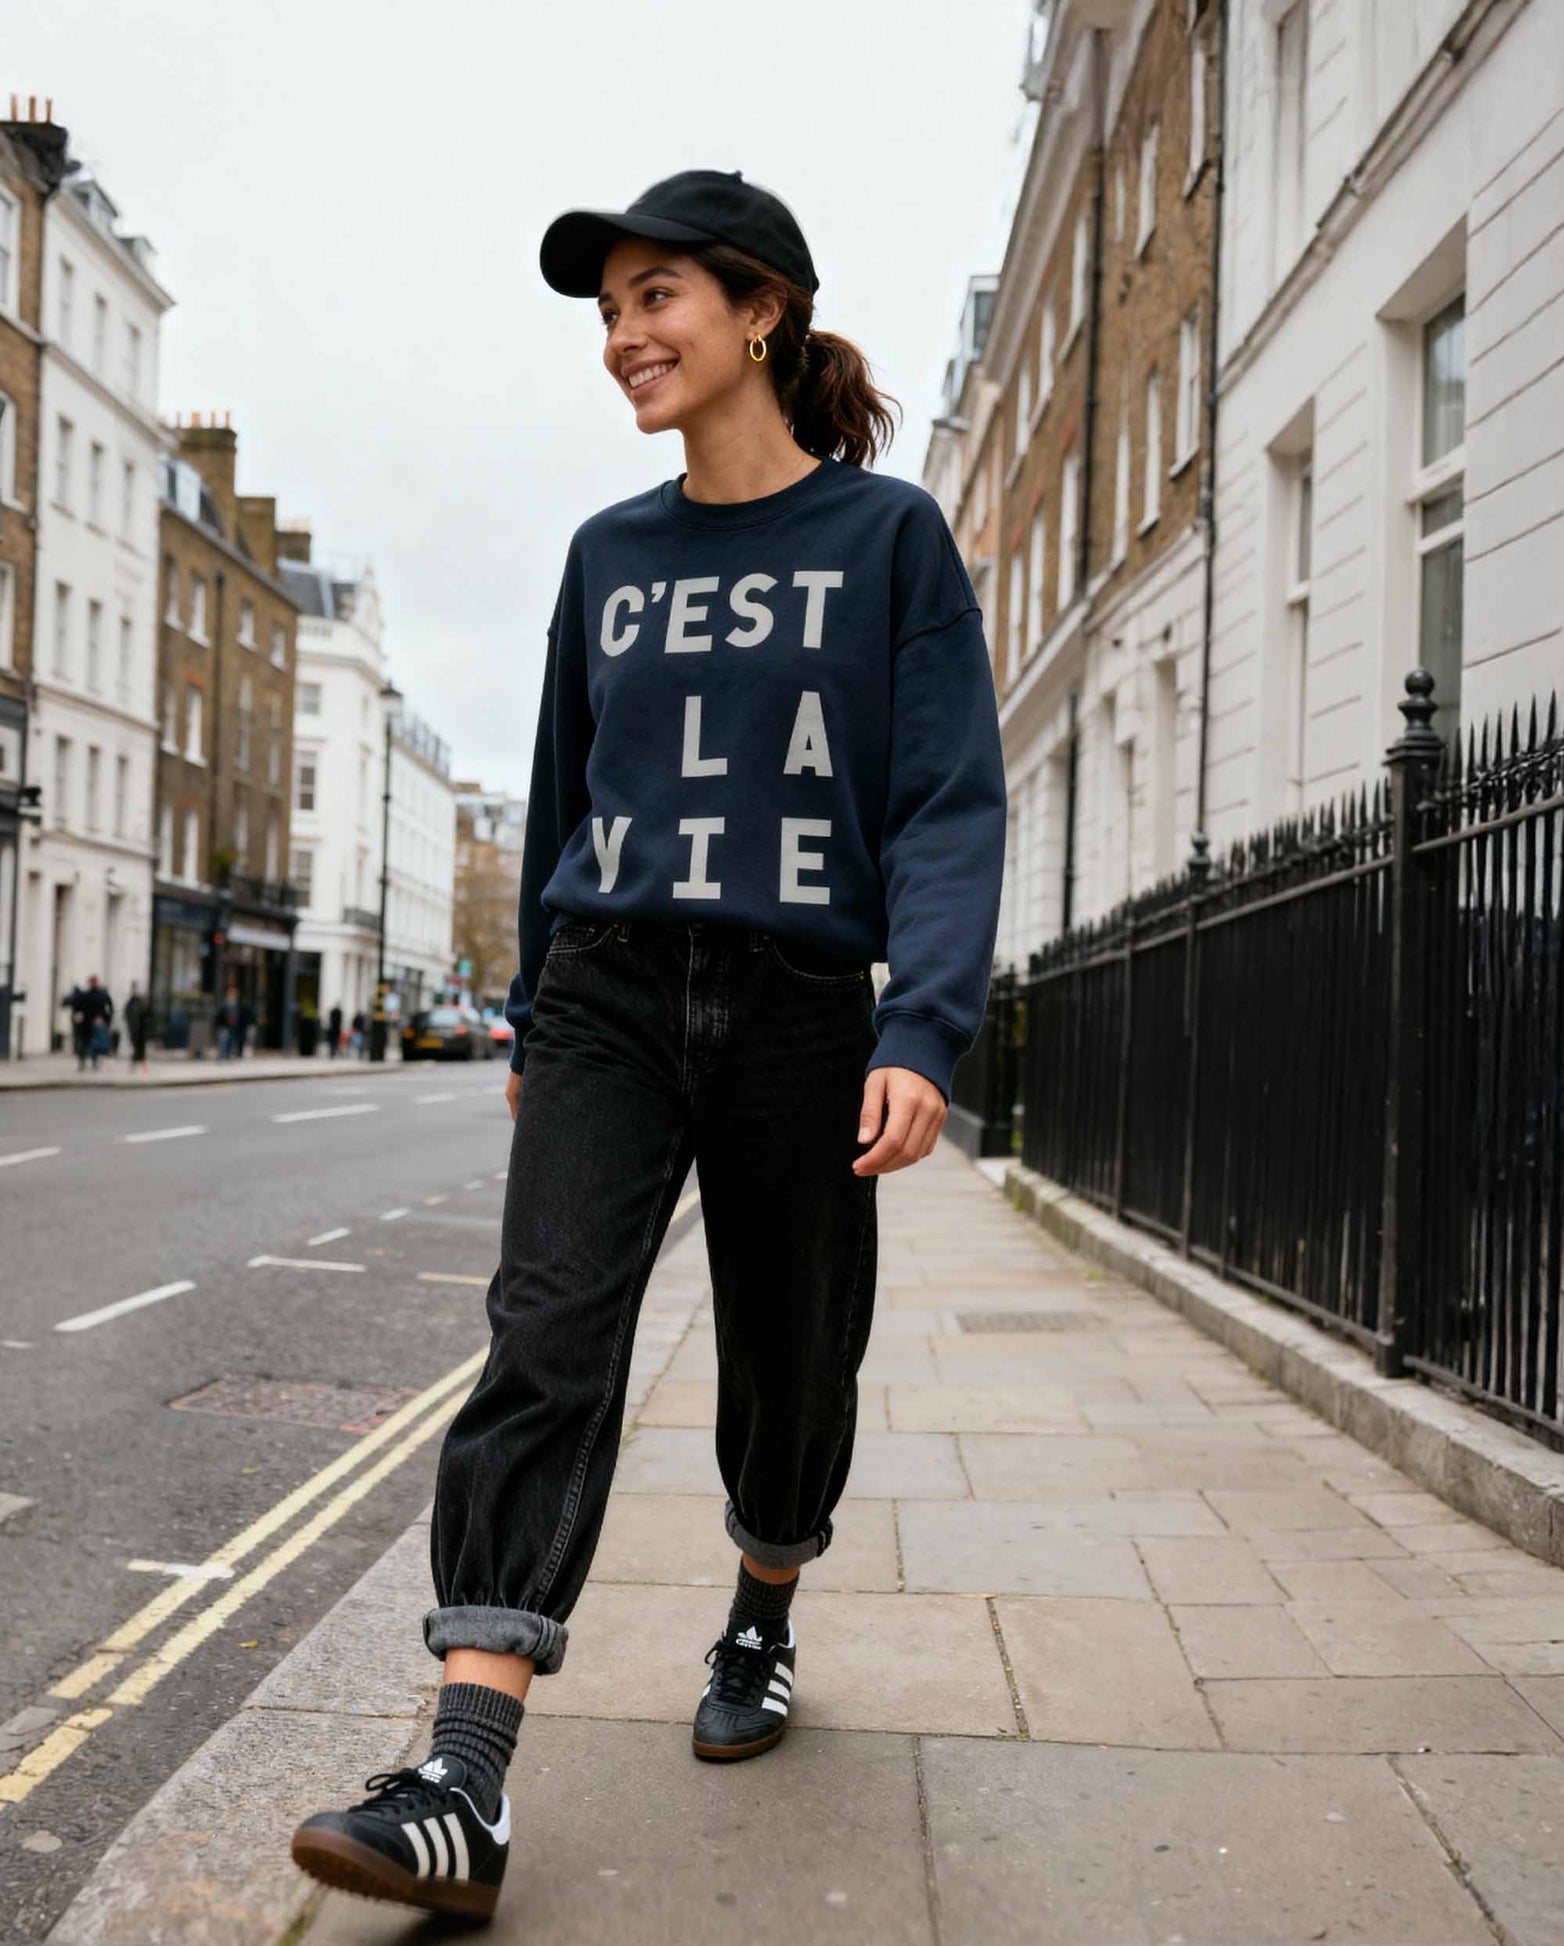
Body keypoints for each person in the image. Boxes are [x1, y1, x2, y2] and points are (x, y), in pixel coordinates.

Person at [290, 167, 1006, 1919]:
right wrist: (537, 1005)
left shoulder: (885, 537)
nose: (623, 339)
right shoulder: (606, 554)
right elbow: (557, 795)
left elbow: (945, 797)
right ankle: (464, 1767)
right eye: (609, 310)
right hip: (612, 983)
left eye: (656, 298)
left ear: (759, 310)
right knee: (546, 1337)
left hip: (795, 1003)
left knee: (790, 1352)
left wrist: (920, 1019)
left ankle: (763, 1606)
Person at [125, 981, 151, 1073]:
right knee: (135, 1049)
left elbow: (148, 1015)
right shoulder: (131, 1003)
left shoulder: (142, 1002)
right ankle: (135, 1065)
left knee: (141, 1049)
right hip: (134, 1030)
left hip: (142, 1030)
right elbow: (128, 1016)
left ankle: (142, 1066)